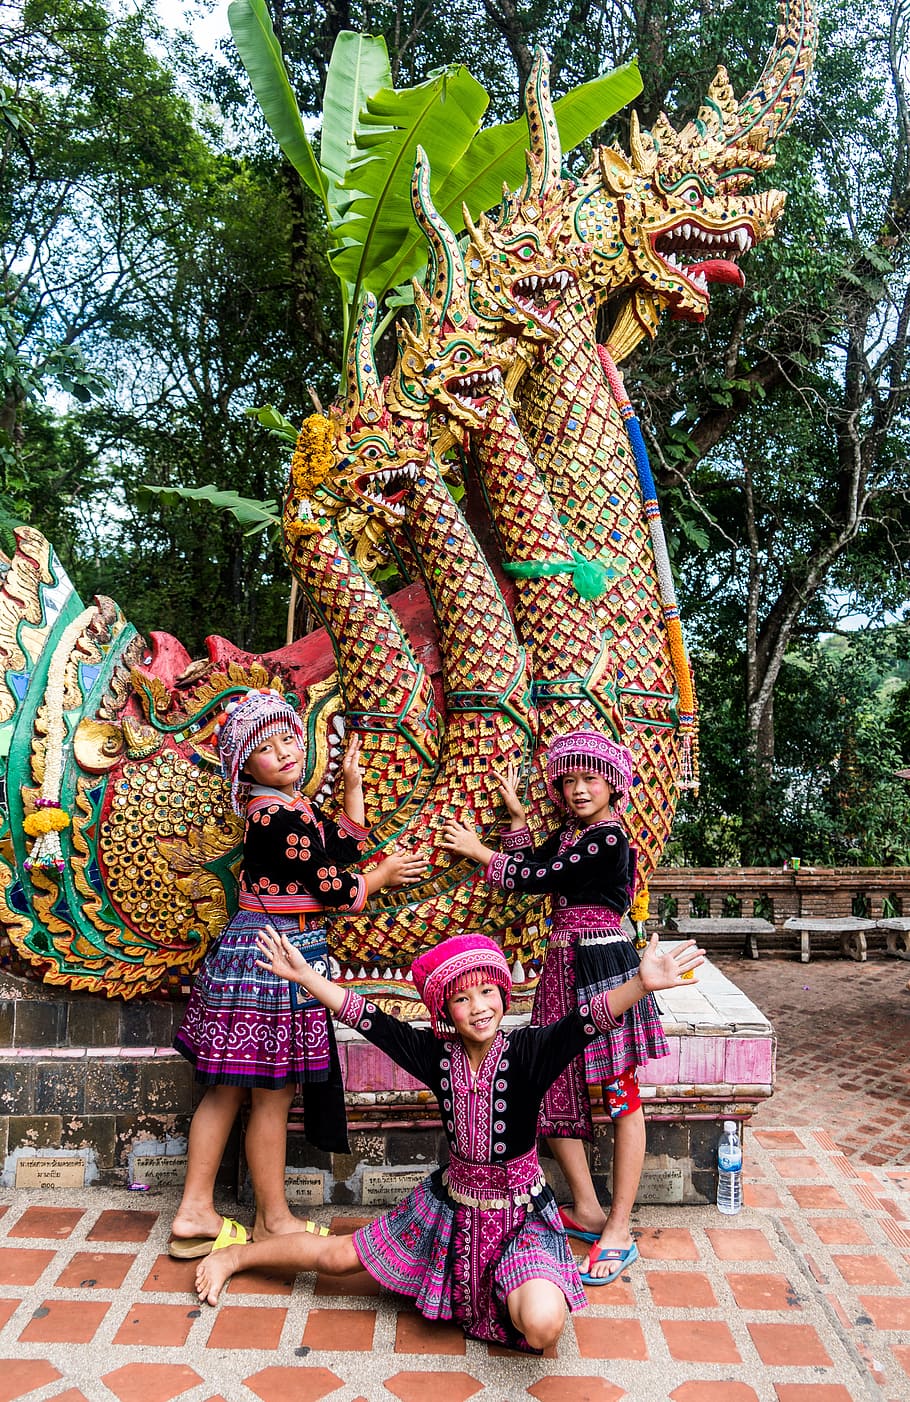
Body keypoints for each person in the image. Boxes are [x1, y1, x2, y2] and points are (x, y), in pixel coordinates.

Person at [194, 927, 702, 1349]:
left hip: (521, 1218)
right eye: (461, 998)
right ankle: (237, 1256)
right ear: (444, 1010)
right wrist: (306, 977)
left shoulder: (529, 1051)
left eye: (487, 992)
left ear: (504, 995)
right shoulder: (435, 1056)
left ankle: (497, 1287)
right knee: (337, 1259)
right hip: (448, 1210)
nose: (479, 1007)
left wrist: (640, 982)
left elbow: (586, 1021)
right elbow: (366, 1018)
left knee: (545, 1325)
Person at [168, 688, 425, 1259]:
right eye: (265, 746)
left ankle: (195, 1212)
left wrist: (352, 791)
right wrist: (382, 876)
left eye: (289, 736)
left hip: (255, 950)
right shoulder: (280, 816)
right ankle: (272, 1218)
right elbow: (334, 886)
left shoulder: (283, 811)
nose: (284, 750)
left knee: (230, 1088)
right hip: (279, 958)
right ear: (243, 767)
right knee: (272, 1092)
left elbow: (333, 848)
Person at [441, 727, 663, 1285]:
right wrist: (516, 820)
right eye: (569, 780)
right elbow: (538, 865)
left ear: (613, 785)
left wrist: (480, 851)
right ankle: (587, 1209)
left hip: (603, 969)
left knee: (620, 1093)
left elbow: (544, 877)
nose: (579, 789)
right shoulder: (573, 832)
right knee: (552, 1080)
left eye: (591, 779)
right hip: (562, 969)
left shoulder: (607, 837)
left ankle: (618, 1227)